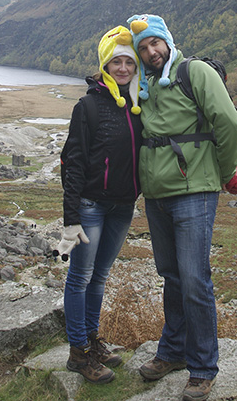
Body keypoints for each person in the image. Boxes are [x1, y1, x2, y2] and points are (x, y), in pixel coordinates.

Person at [127, 13, 237, 401]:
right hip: (157, 195)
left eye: (155, 43)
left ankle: (202, 368)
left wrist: (224, 171)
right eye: (143, 47)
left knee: (195, 279)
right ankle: (173, 352)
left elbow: (229, 123)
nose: (151, 52)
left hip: (195, 190)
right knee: (172, 277)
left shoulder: (193, 72)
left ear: (168, 41)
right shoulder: (141, 85)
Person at [57, 25, 143, 384]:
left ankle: (93, 341)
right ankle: (78, 353)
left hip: (122, 207)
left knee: (100, 276)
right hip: (90, 206)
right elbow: (72, 162)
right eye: (116, 62)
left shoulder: (140, 104)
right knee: (79, 278)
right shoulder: (88, 106)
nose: (123, 68)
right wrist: (70, 218)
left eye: (129, 62)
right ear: (105, 66)